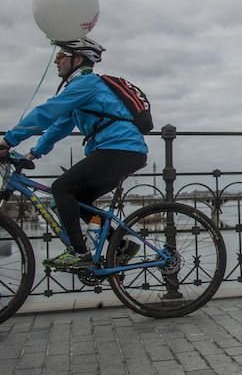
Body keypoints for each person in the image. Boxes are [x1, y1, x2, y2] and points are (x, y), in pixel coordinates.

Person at [0, 36, 148, 269]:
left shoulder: (85, 84)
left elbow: (47, 112)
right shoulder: (81, 88)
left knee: (62, 187)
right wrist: (34, 153)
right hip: (120, 150)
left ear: (78, 59)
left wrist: (8, 140)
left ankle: (79, 253)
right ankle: (121, 246)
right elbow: (60, 124)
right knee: (78, 200)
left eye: (61, 56)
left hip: (120, 149)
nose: (56, 62)